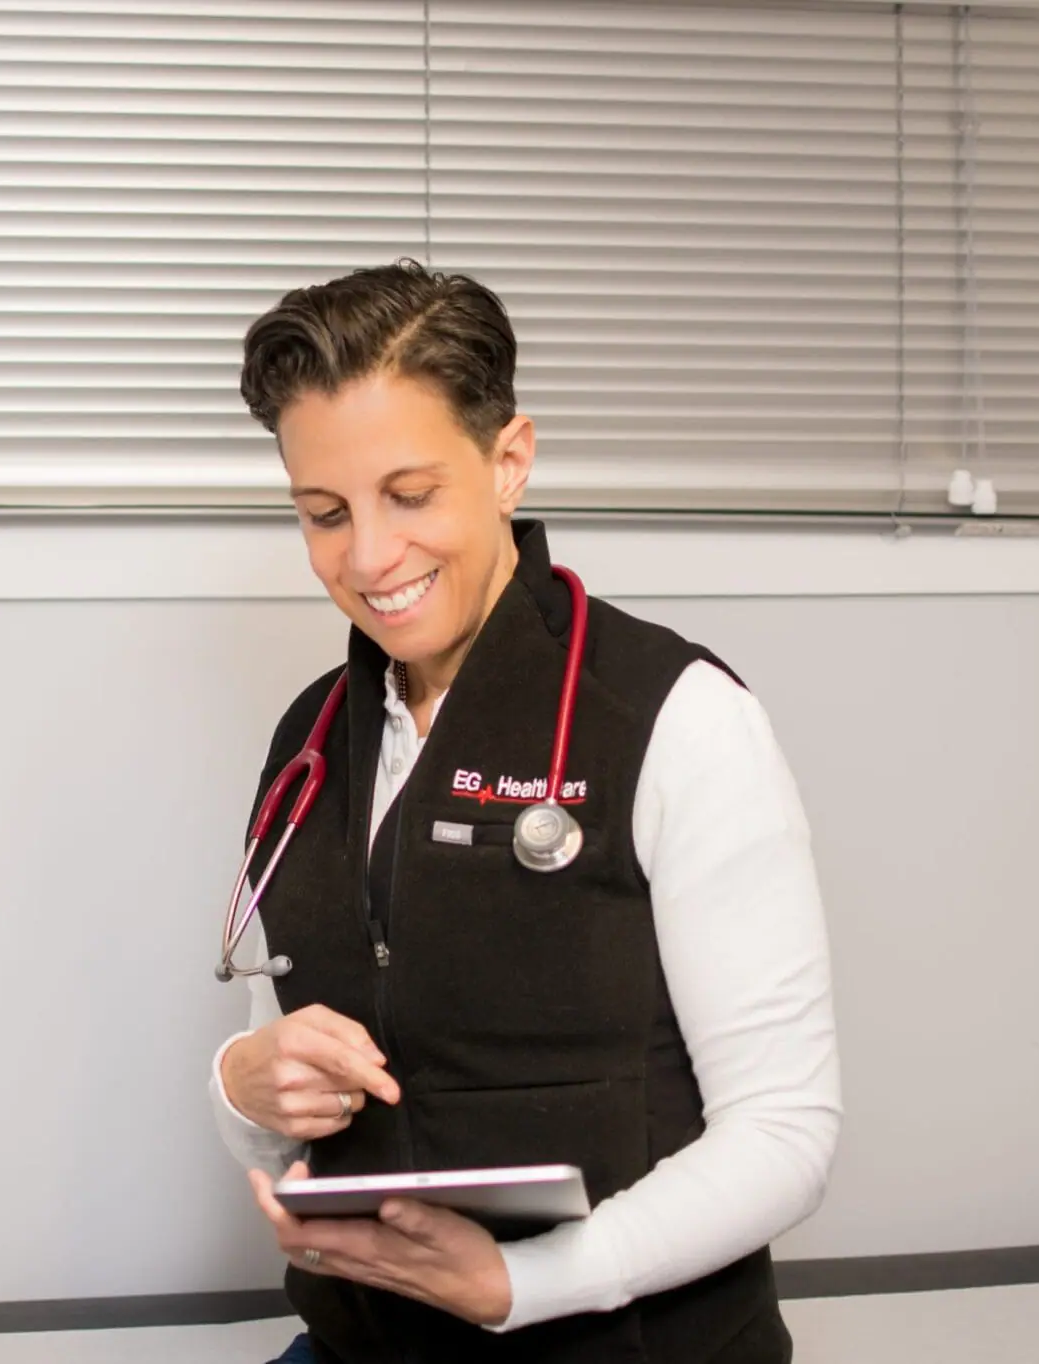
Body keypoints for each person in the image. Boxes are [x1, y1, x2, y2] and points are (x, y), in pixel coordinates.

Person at [208, 261, 842, 1363]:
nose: (367, 556)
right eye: (323, 512)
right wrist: (243, 1090)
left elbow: (786, 1132)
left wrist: (524, 1282)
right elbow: (316, 1137)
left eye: (409, 495)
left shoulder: (674, 719)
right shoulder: (308, 745)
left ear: (508, 462)